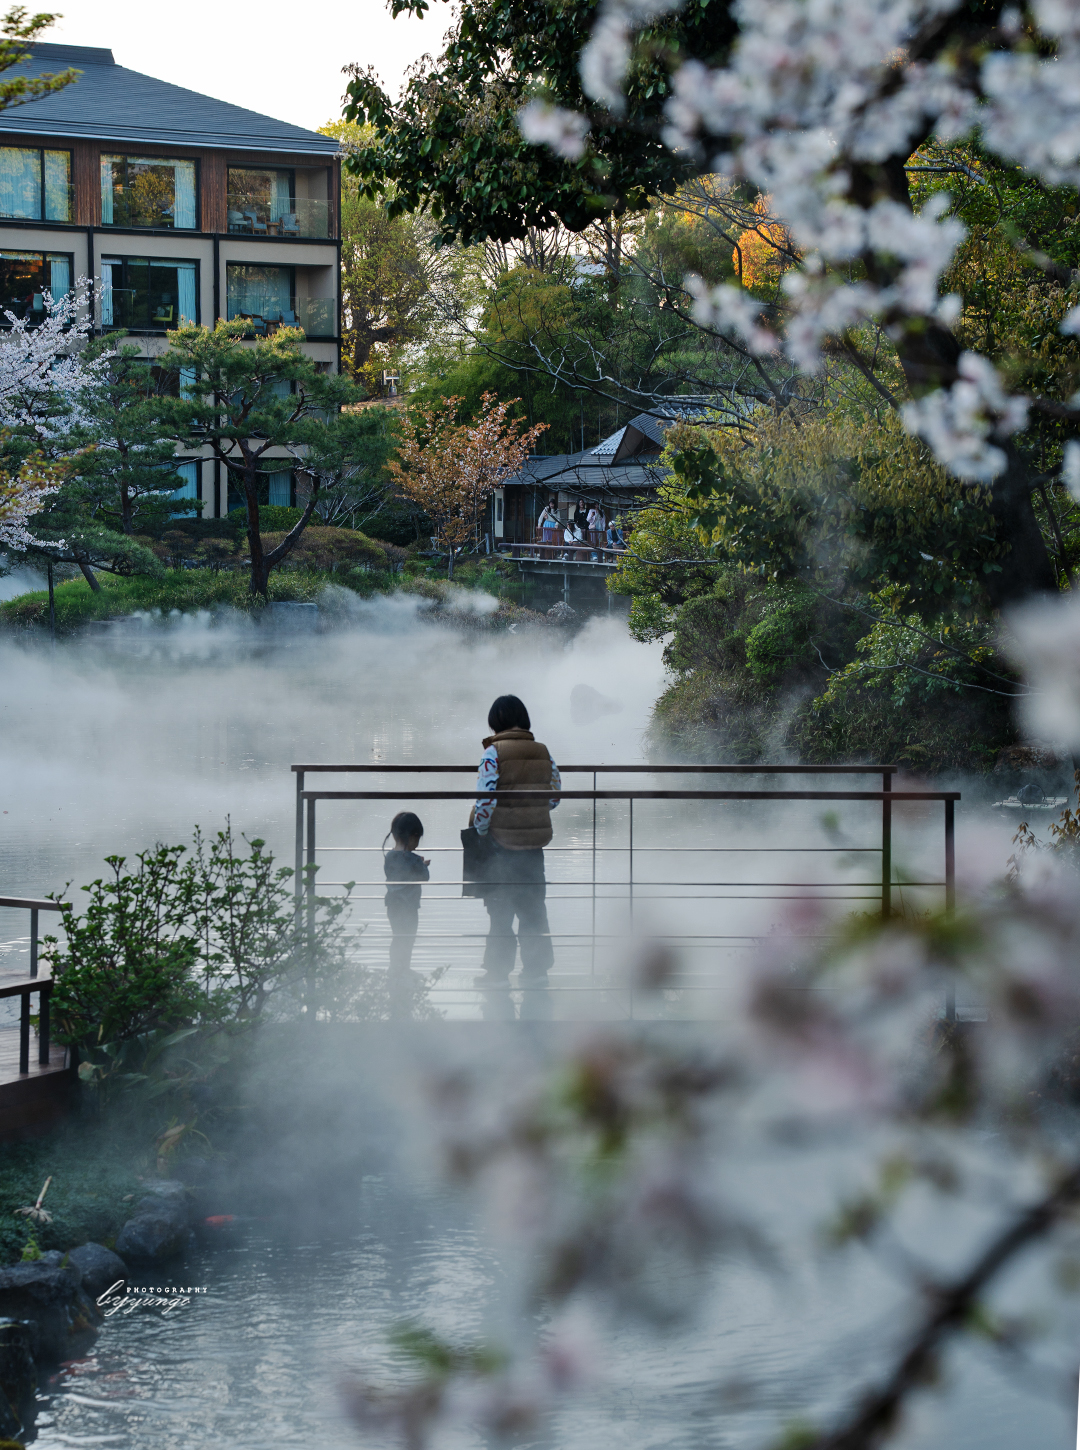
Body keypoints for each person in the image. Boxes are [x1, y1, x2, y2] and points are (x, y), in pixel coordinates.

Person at [472, 695, 560, 981]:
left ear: (495, 721)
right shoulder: (543, 751)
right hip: (534, 846)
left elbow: (485, 801)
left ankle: (497, 972)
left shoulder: (493, 753)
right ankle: (537, 971)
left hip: (500, 845)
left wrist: (482, 833)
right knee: (534, 910)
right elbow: (555, 796)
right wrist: (531, 811)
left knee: (500, 913)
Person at [382, 811, 430, 976]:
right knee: (408, 939)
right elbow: (424, 877)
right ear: (413, 836)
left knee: (397, 938)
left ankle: (395, 968)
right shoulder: (414, 859)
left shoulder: (389, 856)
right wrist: (423, 864)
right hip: (409, 907)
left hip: (392, 905)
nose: (417, 843)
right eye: (417, 839)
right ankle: (403, 969)